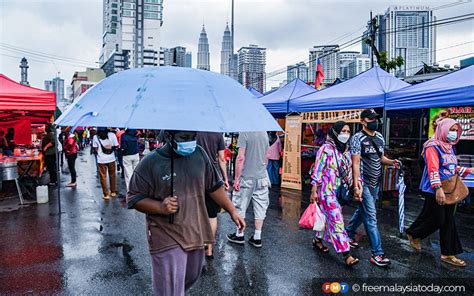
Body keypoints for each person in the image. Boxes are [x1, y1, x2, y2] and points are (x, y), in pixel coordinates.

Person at [126, 130, 245, 296]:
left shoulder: (199, 154)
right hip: (165, 235)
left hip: (195, 231)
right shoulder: (150, 163)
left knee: (190, 276)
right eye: (184, 137)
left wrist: (232, 210)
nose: (190, 142)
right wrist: (160, 207)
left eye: (193, 137)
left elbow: (213, 186)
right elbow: (134, 198)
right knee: (171, 290)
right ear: (168, 135)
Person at [406, 118, 474, 267]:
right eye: (451, 129)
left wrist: (468, 170)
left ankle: (448, 253)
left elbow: (451, 167)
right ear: (443, 129)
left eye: (456, 130)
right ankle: (414, 233)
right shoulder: (433, 146)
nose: (454, 133)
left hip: (449, 188)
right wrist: (438, 189)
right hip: (435, 189)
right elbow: (433, 168)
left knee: (448, 219)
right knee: (438, 218)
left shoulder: (450, 147)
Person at [345, 108, 400, 267]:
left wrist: (391, 162)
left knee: (363, 211)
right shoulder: (357, 138)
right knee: (371, 216)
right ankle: (377, 253)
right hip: (364, 183)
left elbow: (380, 157)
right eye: (370, 119)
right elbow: (355, 163)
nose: (374, 122)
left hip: (376, 182)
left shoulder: (380, 137)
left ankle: (348, 233)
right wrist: (356, 185)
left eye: (375, 118)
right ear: (362, 121)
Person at [309, 121, 359, 266]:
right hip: (326, 192)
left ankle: (318, 240)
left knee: (327, 219)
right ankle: (346, 254)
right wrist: (313, 190)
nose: (346, 134)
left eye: (348, 131)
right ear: (336, 132)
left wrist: (355, 186)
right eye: (343, 131)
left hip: (339, 192)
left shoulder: (346, 150)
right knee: (337, 221)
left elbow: (350, 170)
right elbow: (317, 170)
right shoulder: (325, 149)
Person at [227, 131, 270, 248]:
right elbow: (267, 157)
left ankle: (239, 234)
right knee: (261, 207)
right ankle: (257, 237)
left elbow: (241, 157)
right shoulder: (264, 133)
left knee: (240, 206)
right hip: (262, 177)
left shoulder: (245, 133)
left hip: (246, 177)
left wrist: (236, 179)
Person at [196, 132, 230, 259]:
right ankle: (209, 249)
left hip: (196, 174)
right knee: (212, 215)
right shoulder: (217, 134)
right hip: (214, 177)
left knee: (198, 212)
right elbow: (222, 158)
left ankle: (198, 245)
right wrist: (225, 178)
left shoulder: (194, 131)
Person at [92, 127, 119, 200]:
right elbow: (117, 146)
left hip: (101, 159)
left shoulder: (95, 137)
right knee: (112, 175)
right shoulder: (112, 135)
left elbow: (95, 148)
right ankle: (113, 192)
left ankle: (106, 194)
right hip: (111, 159)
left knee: (103, 177)